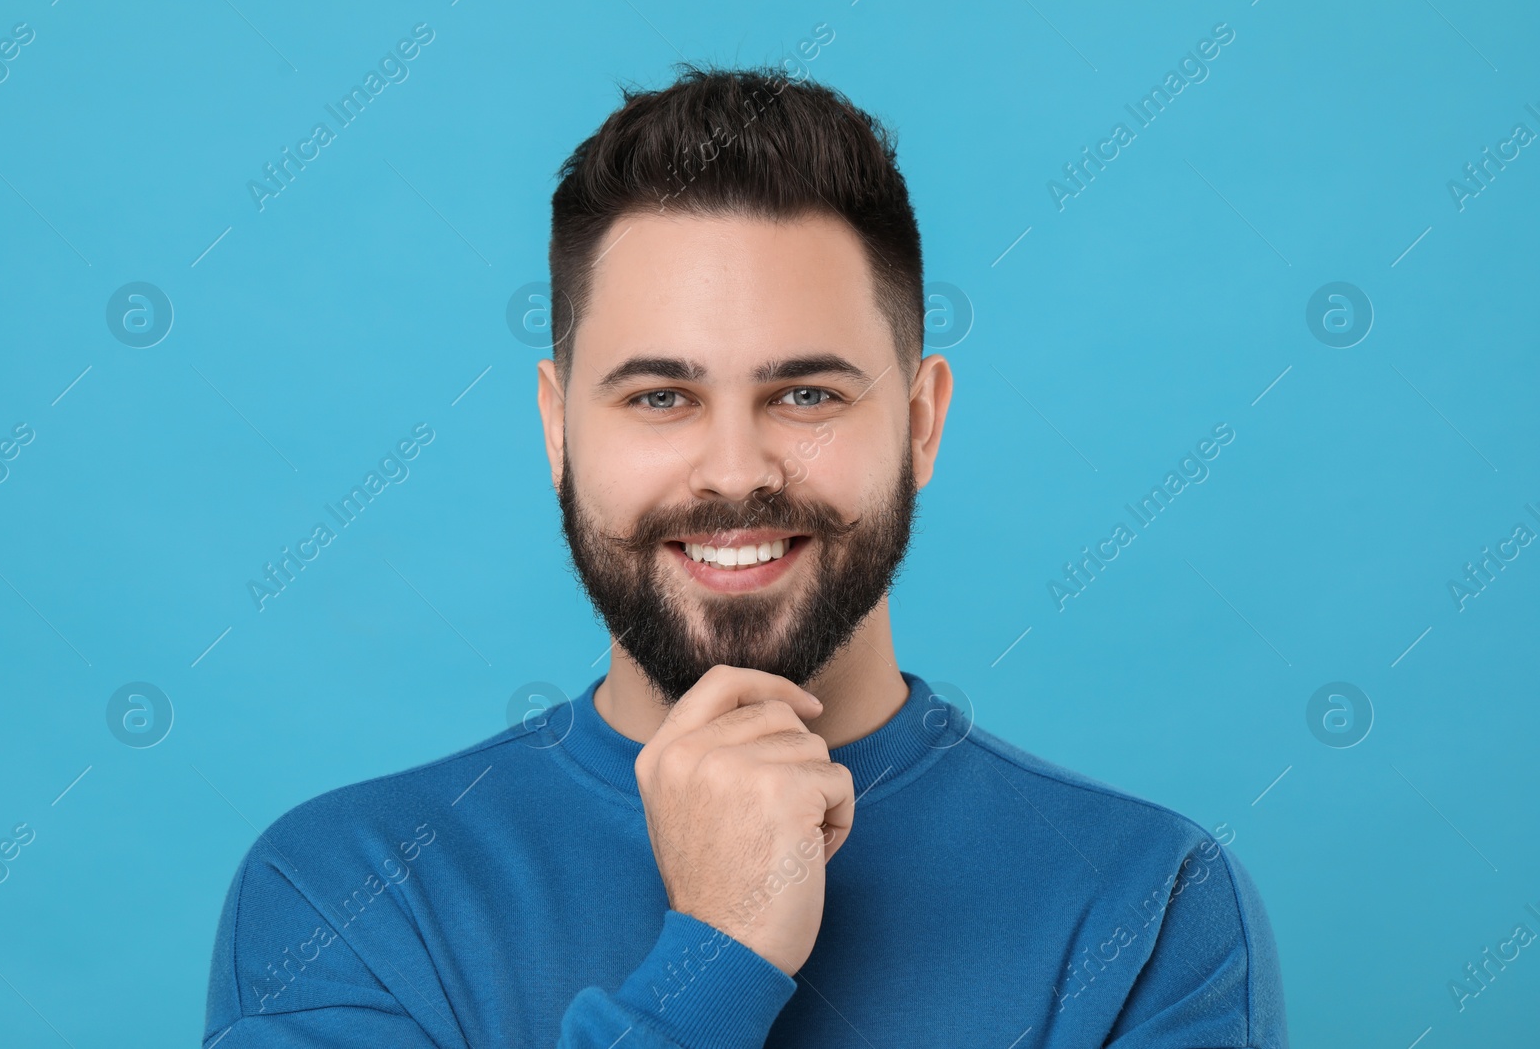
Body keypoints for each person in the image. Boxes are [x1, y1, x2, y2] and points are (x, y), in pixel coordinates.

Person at [204, 64, 1287, 1048]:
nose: (732, 471)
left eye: (806, 393)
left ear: (919, 423)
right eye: (661, 396)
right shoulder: (340, 897)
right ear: (558, 428)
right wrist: (717, 952)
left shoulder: (1152, 909)